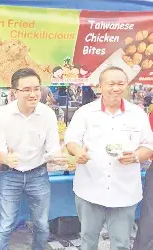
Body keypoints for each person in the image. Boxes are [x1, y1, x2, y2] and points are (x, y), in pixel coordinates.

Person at [65, 66, 153, 250]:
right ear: (100, 86)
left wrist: (136, 156)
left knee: (121, 243)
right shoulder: (85, 112)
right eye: (111, 83)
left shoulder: (137, 113)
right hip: (90, 187)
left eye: (121, 83)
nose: (116, 88)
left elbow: (148, 145)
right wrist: (78, 151)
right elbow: (71, 140)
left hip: (125, 190)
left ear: (126, 85)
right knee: (88, 240)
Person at [0, 68, 65, 250]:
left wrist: (57, 156)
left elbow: (52, 146)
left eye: (37, 88)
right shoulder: (3, 114)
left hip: (38, 174)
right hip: (10, 175)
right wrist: (6, 159)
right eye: (26, 90)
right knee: (4, 226)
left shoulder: (47, 113)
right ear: (14, 92)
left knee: (42, 225)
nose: (33, 94)